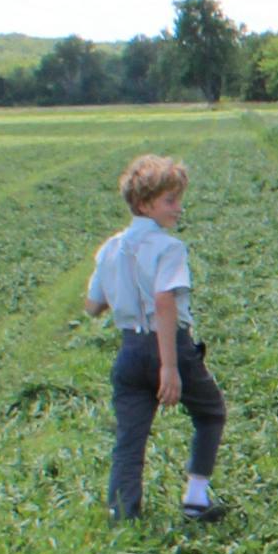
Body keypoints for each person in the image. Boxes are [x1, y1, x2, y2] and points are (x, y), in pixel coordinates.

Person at [85, 153, 226, 524]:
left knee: (130, 437)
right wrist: (170, 368)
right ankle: (196, 499)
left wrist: (121, 292)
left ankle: (122, 515)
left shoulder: (110, 249)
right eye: (170, 200)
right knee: (211, 413)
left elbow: (92, 305)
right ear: (146, 204)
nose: (178, 208)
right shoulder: (169, 248)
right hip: (169, 345)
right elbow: (165, 302)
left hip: (129, 350)